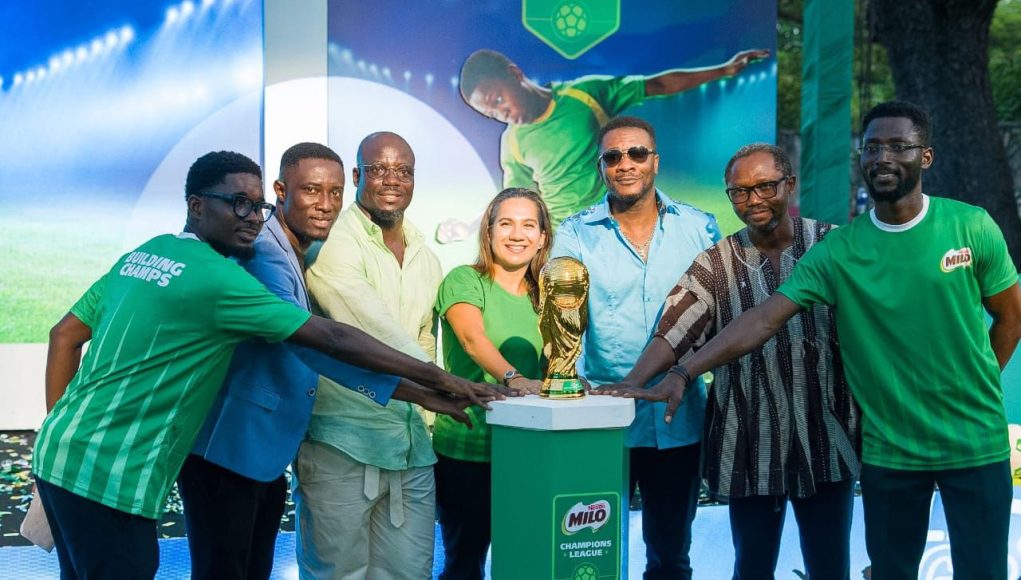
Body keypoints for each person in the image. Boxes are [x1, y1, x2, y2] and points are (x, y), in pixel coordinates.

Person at [603, 101, 1021, 578]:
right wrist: (678, 372)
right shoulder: (831, 251)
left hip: (891, 442)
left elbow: (1010, 318)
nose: (883, 157)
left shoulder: (962, 226)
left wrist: (977, 383)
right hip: (831, 449)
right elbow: (754, 320)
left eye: (898, 146)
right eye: (872, 148)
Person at [33, 150, 497, 579]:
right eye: (239, 204)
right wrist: (437, 378)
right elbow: (328, 339)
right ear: (196, 205)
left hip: (61, 452)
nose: (254, 218)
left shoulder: (145, 253)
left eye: (257, 207)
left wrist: (61, 429)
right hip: (114, 471)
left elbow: (63, 335)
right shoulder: (223, 277)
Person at [176, 143, 472, 580]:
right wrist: (434, 383)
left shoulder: (315, 249)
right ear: (281, 191)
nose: (326, 204)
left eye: (334, 193)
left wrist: (422, 394)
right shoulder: (264, 252)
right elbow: (326, 342)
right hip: (228, 451)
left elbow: (336, 350)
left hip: (266, 454)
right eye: (312, 190)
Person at [610, 143, 860, 579]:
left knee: (830, 567)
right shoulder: (716, 262)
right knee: (751, 567)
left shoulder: (833, 244)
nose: (753, 200)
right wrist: (634, 382)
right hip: (750, 440)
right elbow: (675, 328)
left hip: (825, 433)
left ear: (790, 184)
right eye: (739, 192)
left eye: (765, 187)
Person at [551, 116, 721, 579]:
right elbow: (564, 319)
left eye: (637, 153)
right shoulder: (575, 232)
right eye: (613, 156)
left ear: (655, 162)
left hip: (676, 415)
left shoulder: (700, 227)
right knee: (588, 553)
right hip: (602, 419)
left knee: (671, 556)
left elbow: (719, 315)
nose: (625, 164)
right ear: (601, 167)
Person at [295, 132, 445, 579]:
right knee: (338, 574)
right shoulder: (332, 243)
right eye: (379, 169)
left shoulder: (425, 255)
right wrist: (446, 386)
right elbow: (368, 331)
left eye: (403, 171)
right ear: (358, 176)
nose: (391, 180)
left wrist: (428, 414)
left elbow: (424, 339)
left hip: (410, 448)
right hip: (342, 445)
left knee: (411, 573)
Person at [436, 47, 769, 242]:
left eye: (497, 99)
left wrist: (724, 70)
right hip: (564, 237)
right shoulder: (512, 142)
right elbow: (514, 199)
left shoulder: (584, 95)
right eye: (490, 113)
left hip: (614, 224)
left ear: (515, 73)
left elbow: (657, 84)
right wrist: (470, 224)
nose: (500, 113)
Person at [434, 187, 550, 579]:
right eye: (506, 224)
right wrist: (516, 379)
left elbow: (554, 360)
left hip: (528, 450)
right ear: (488, 232)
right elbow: (472, 339)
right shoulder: (465, 280)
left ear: (542, 238)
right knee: (464, 565)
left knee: (524, 564)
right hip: (469, 450)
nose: (517, 235)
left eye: (528, 225)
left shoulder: (546, 296)